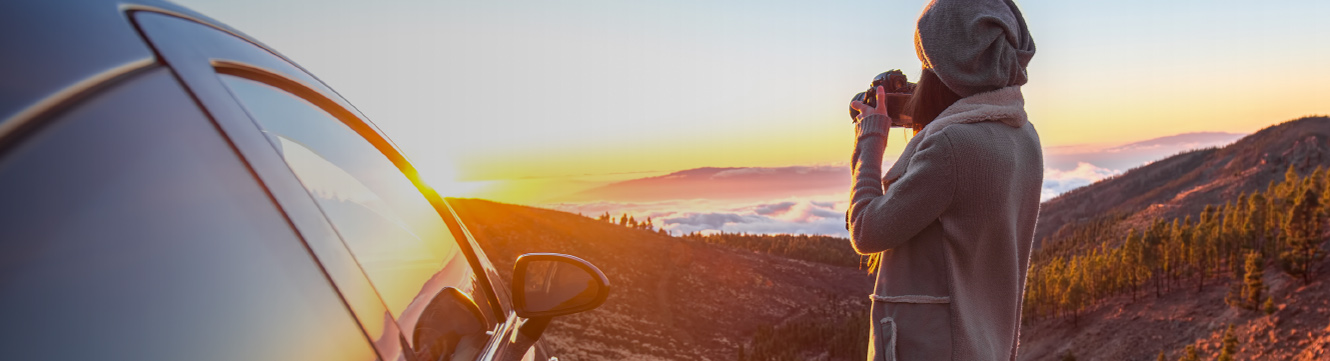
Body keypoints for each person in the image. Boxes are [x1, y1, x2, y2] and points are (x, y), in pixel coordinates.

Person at [846, 0, 1040, 360]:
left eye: (928, 62)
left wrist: (869, 141)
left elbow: (866, 230)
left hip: (933, 347)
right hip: (983, 346)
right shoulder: (1024, 136)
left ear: (952, 64)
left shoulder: (952, 146)